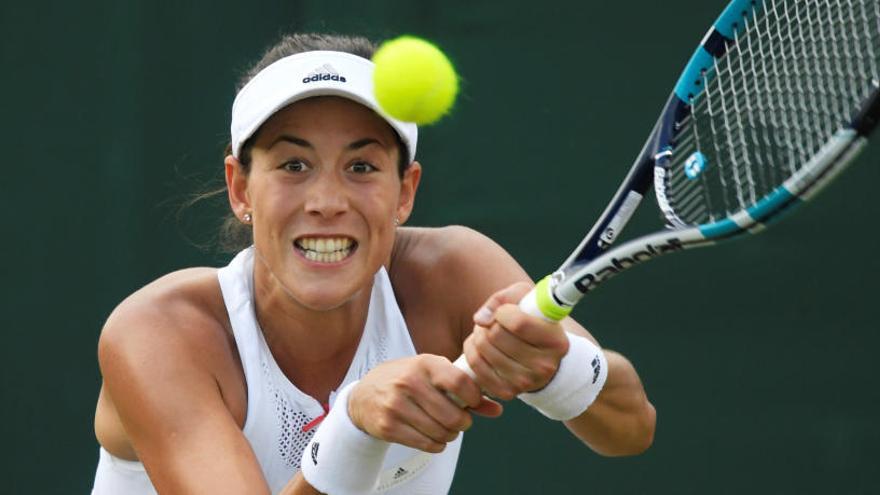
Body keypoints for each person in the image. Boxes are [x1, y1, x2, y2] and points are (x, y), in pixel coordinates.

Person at [91, 33, 656, 495]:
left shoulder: (451, 271)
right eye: (293, 164)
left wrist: (558, 369)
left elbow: (631, 427)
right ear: (240, 188)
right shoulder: (159, 333)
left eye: (361, 168)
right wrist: (353, 427)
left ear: (404, 192)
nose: (327, 201)